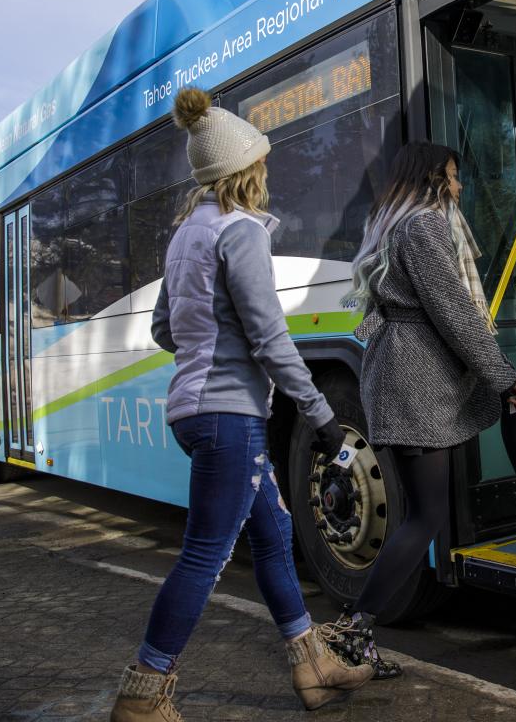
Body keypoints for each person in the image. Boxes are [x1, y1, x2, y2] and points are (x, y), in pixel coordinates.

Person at [109, 87, 372, 721]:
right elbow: (269, 337)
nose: (268, 170)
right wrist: (322, 416)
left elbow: (164, 330)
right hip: (232, 418)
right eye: (262, 160)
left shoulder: (185, 237)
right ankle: (144, 690)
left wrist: (210, 338)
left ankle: (312, 667)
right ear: (244, 170)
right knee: (205, 552)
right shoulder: (241, 233)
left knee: (276, 533)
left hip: (196, 411)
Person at [323, 142, 516, 677]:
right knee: (423, 518)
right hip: (416, 379)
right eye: (452, 176)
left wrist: (500, 378)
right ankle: (349, 632)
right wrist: (500, 373)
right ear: (429, 179)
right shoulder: (422, 228)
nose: (459, 186)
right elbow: (455, 314)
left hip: (416, 372)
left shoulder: (389, 223)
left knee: (507, 402)